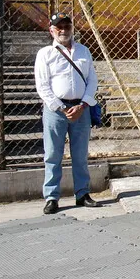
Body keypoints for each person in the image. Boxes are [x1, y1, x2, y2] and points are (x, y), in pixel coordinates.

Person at [34, 12, 101, 215]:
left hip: (81, 109)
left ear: (72, 28)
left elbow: (92, 81)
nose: (63, 30)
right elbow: (42, 86)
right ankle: (52, 197)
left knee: (80, 155)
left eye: (67, 26)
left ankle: (82, 193)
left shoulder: (84, 51)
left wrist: (82, 105)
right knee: (53, 154)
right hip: (56, 110)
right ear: (52, 31)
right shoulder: (45, 53)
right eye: (59, 27)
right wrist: (62, 108)